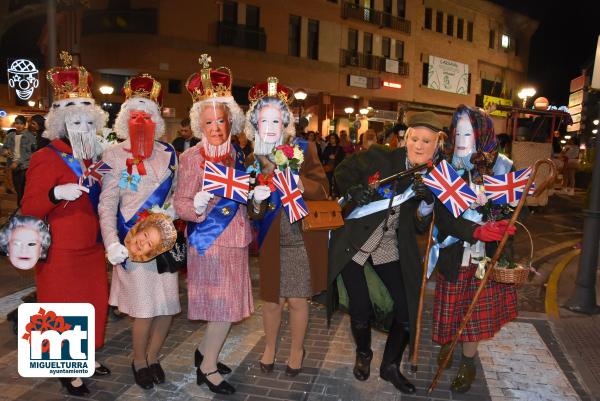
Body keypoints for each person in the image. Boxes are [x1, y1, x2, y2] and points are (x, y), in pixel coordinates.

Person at [327, 111, 514, 395]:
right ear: (405, 138)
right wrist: (354, 190)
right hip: (356, 242)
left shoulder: (438, 176)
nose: (418, 145)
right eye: (414, 138)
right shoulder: (379, 156)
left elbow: (445, 218)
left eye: (426, 141)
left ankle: (390, 366)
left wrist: (476, 231)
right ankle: (364, 353)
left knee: (407, 309)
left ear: (437, 144)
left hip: (388, 246)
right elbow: (343, 170)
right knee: (360, 309)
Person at [20, 51, 111, 396]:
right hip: (59, 249)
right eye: (76, 123)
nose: (84, 129)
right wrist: (56, 192)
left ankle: (84, 357)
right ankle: (65, 367)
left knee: (91, 305)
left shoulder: (96, 158)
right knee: (61, 307)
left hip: (92, 247)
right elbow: (29, 206)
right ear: (60, 125)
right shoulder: (46, 157)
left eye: (89, 123)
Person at [174, 55, 253, 395]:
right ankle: (207, 368)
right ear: (199, 126)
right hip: (208, 242)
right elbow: (179, 203)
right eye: (209, 123)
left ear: (230, 121)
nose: (216, 128)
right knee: (221, 309)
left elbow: (244, 197)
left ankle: (205, 353)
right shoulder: (191, 158)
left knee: (229, 307)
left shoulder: (238, 155)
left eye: (221, 121)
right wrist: (196, 206)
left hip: (236, 241)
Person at [98, 74, 180, 390]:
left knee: (167, 307)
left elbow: (174, 194)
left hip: (163, 242)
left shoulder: (168, 153)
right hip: (133, 244)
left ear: (156, 119)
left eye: (147, 115)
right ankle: (138, 358)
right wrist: (112, 243)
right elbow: (107, 204)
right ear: (126, 119)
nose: (141, 120)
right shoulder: (114, 155)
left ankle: (154, 356)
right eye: (136, 115)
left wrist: (170, 214)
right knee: (145, 309)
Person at [432, 105, 519, 393]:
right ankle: (447, 343)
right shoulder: (446, 167)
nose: (461, 138)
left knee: (475, 312)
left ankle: (467, 362)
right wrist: (473, 229)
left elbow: (515, 206)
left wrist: (505, 222)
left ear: (482, 133)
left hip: (485, 257)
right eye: (458, 131)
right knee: (449, 309)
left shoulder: (502, 167)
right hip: (455, 252)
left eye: (468, 132)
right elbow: (443, 217)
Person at [246, 77, 329, 376]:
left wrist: (298, 182)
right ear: (256, 123)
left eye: (276, 120)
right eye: (264, 120)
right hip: (271, 239)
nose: (270, 125)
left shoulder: (304, 149)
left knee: (296, 299)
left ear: (285, 122)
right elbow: (253, 213)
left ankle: (296, 349)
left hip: (300, 238)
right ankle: (270, 346)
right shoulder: (253, 159)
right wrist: (256, 202)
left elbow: (322, 189)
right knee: (271, 300)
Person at [2, 115, 36, 205]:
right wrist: (4, 151)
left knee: (21, 187)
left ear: (25, 125)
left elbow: (31, 153)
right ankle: (22, 205)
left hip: (24, 165)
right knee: (17, 187)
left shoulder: (30, 136)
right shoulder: (10, 135)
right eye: (17, 123)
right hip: (12, 165)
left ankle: (20, 206)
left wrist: (17, 162)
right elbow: (3, 148)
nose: (19, 125)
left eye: (21, 123)